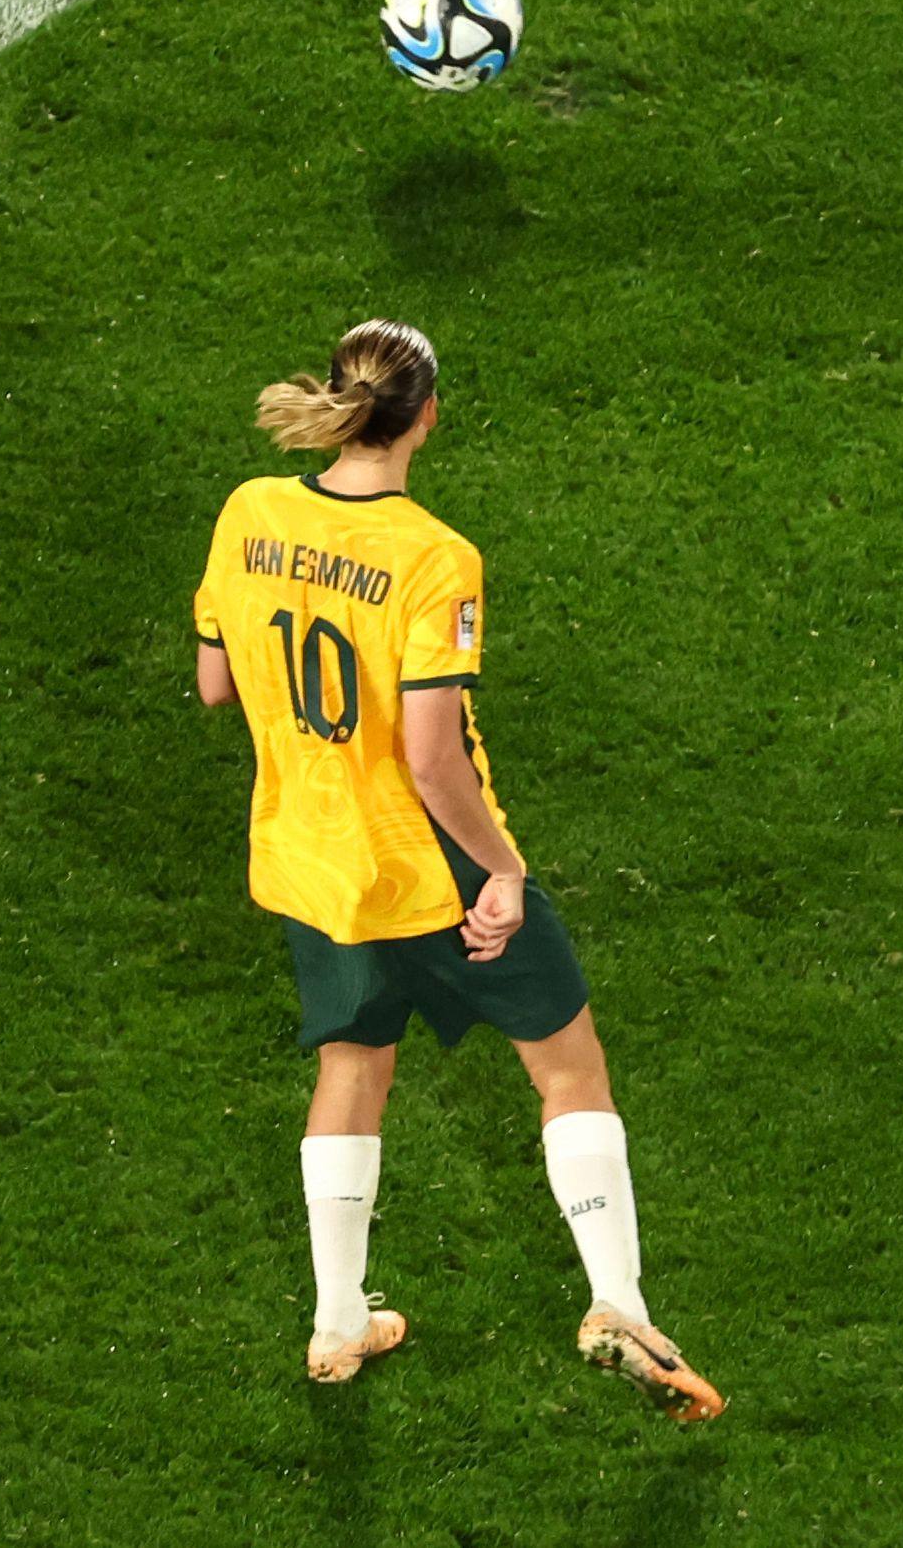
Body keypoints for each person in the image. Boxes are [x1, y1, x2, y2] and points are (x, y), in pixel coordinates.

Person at [192, 320, 727, 1416]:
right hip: (427, 861)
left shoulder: (249, 512)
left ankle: (339, 1320)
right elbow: (432, 758)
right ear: (426, 415)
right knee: (567, 1066)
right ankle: (617, 1301)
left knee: (352, 1066)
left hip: (315, 856)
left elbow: (215, 683)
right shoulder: (435, 558)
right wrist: (503, 871)